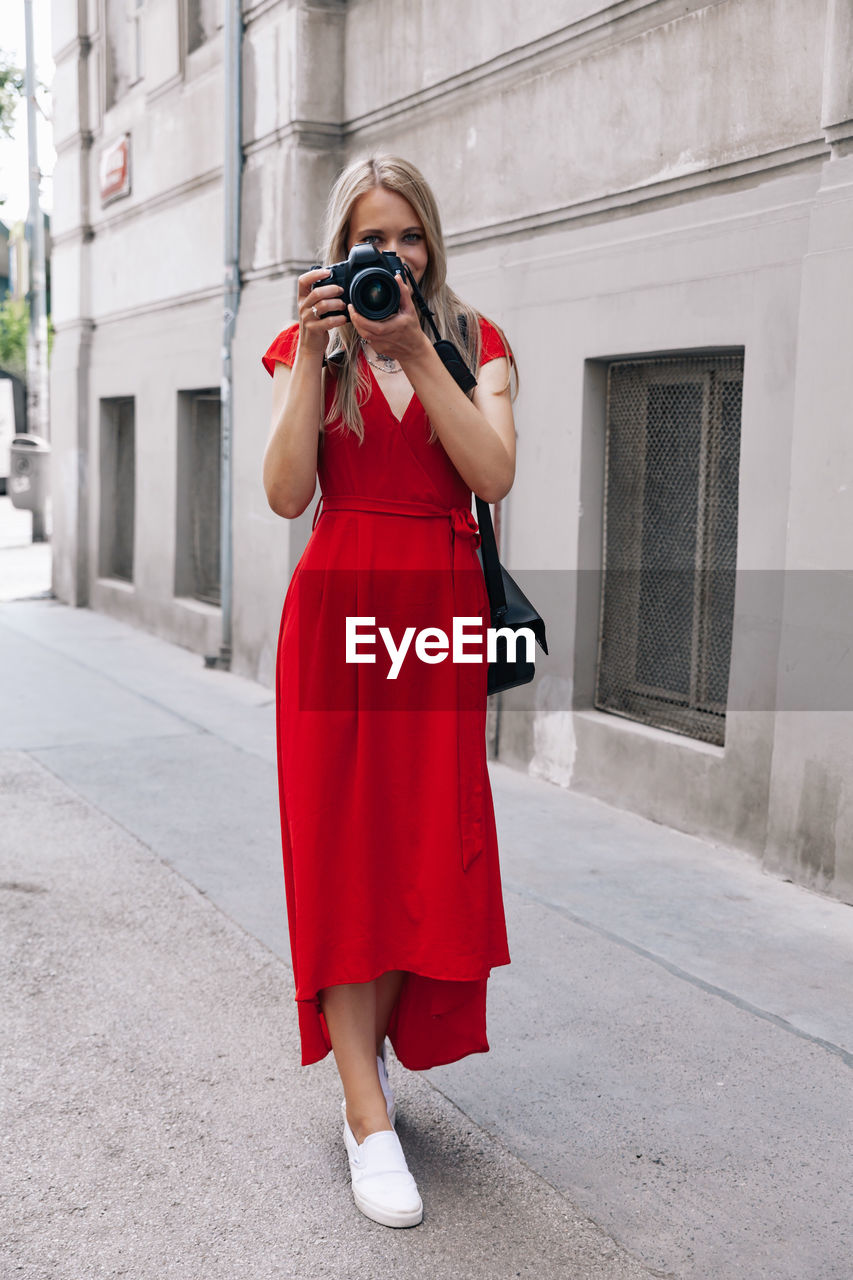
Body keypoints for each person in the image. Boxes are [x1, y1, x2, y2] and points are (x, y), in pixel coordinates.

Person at [261, 154, 518, 1229]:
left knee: (420, 849)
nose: (392, 257)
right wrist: (316, 361)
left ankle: (377, 1066)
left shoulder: (476, 343)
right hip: (336, 621)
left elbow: (491, 472)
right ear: (340, 252)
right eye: (370, 241)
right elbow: (285, 494)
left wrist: (416, 345)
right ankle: (367, 1114)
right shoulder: (308, 346)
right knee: (341, 853)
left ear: (431, 242)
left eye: (407, 236)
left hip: (435, 624)